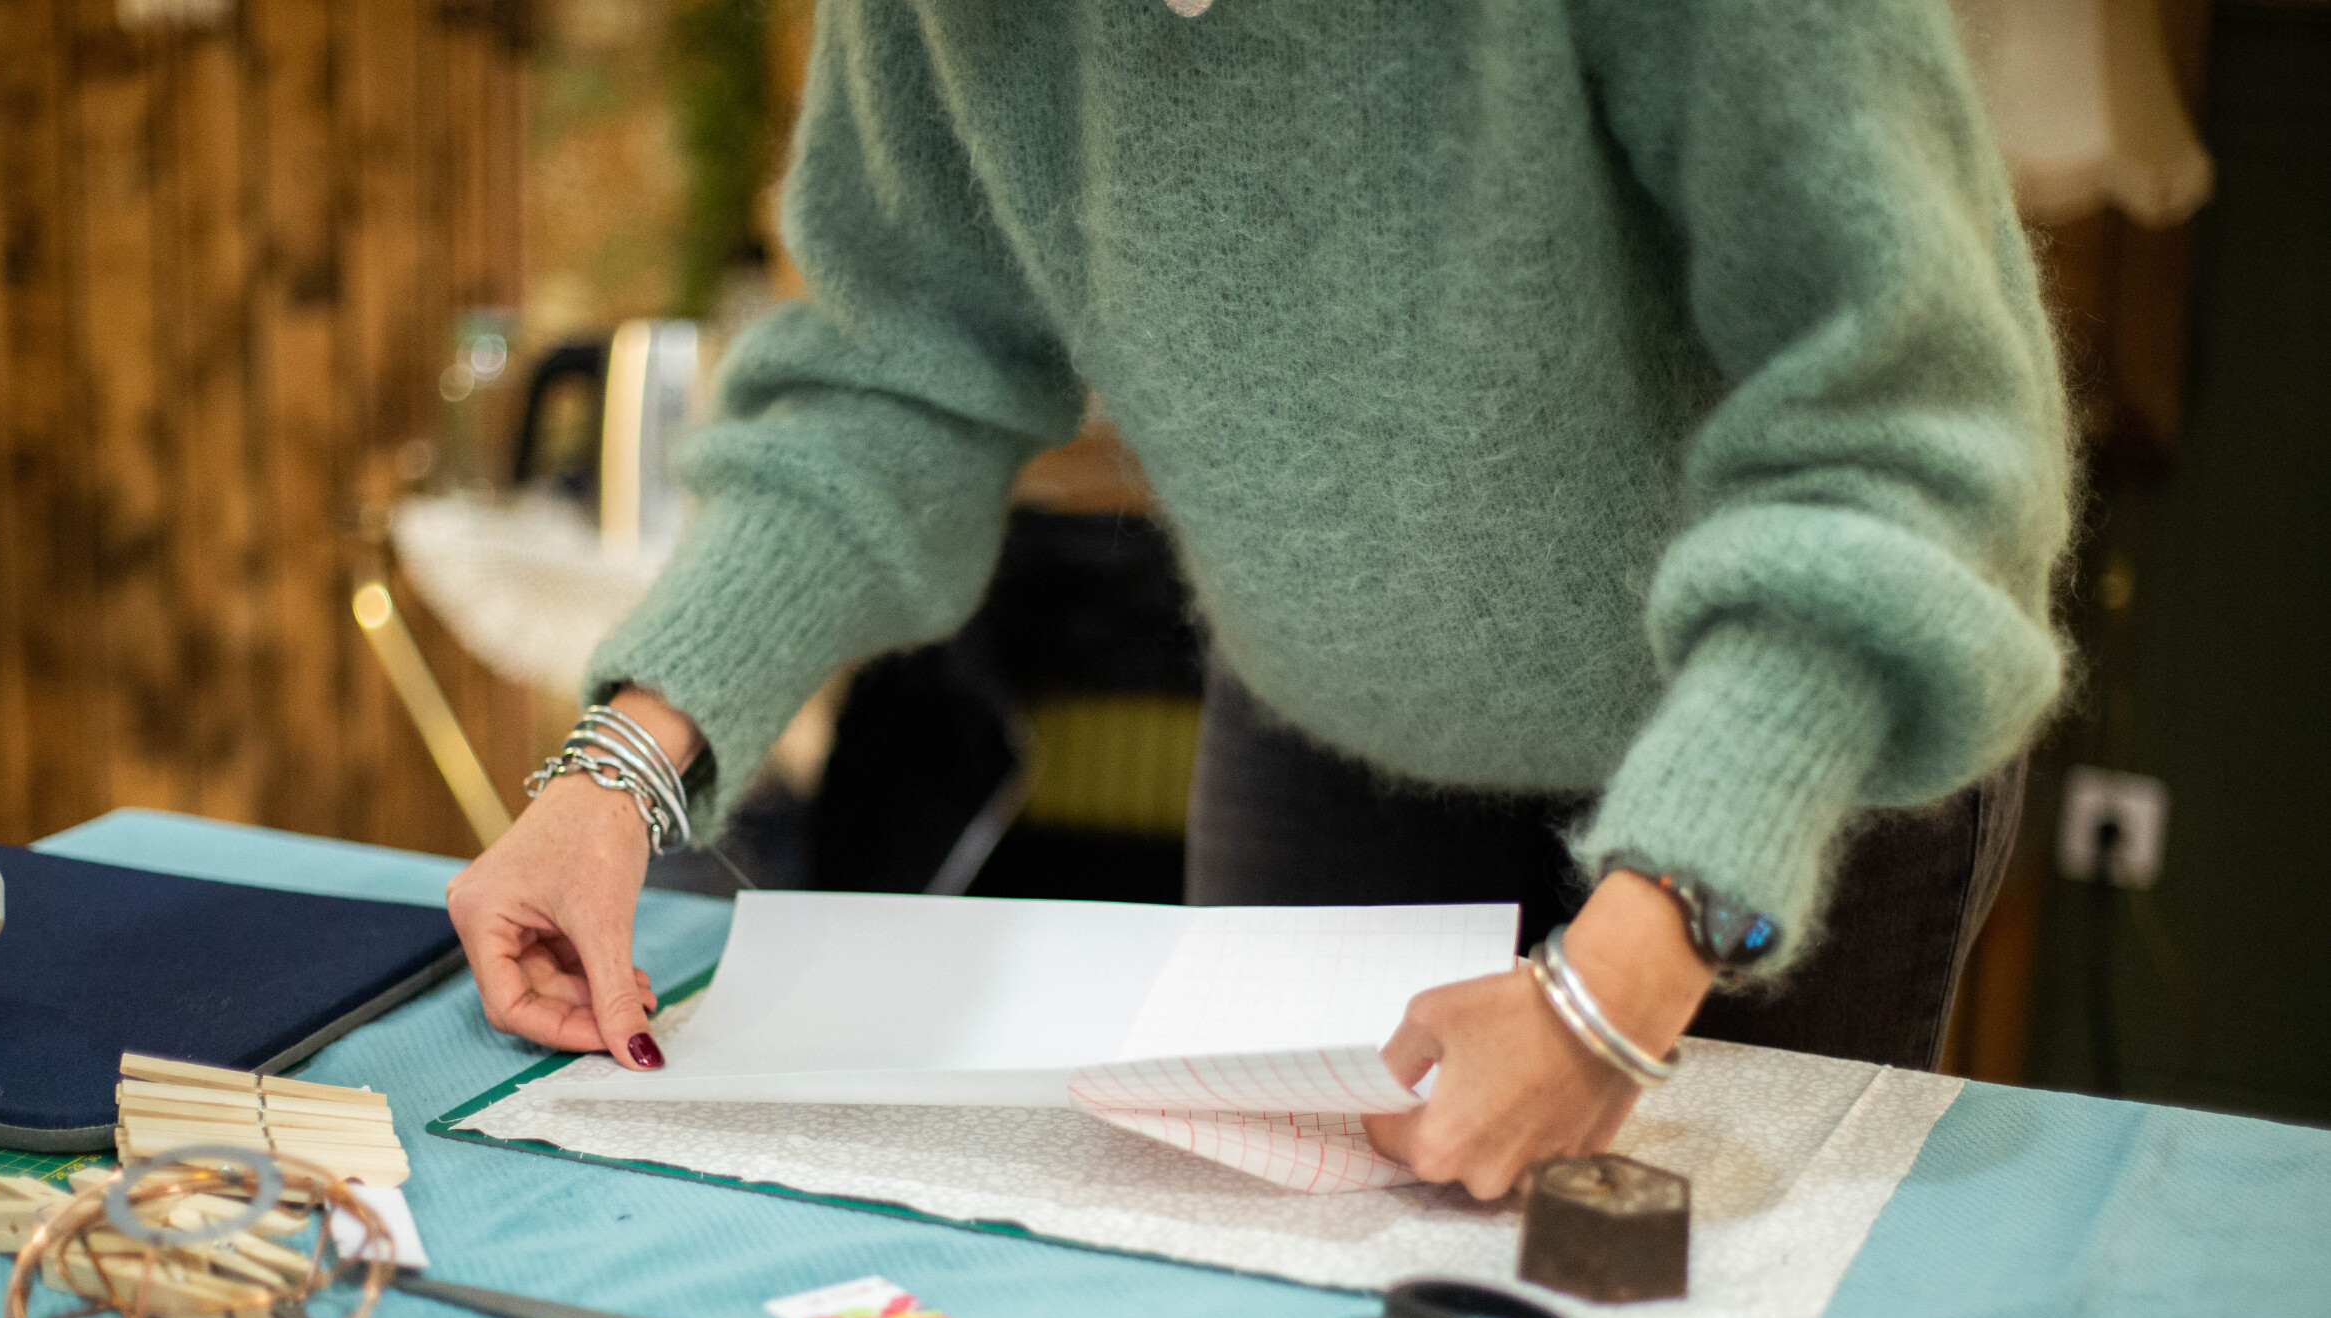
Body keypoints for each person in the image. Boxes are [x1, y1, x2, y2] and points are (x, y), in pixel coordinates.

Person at [447, 0, 2071, 1202]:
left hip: (1764, 745)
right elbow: (893, 370)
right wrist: (618, 766)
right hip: (1331, 743)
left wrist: (1625, 973)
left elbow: (1908, 439)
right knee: (1282, 1316)